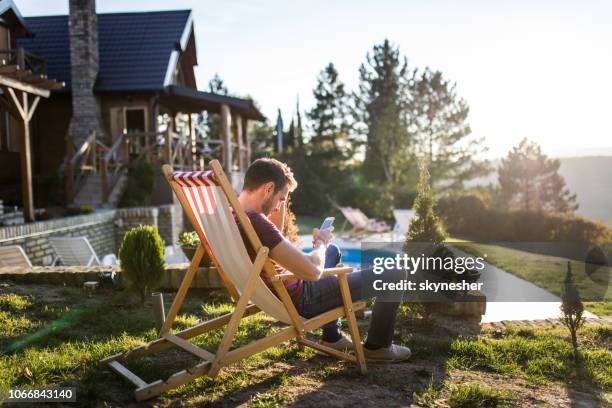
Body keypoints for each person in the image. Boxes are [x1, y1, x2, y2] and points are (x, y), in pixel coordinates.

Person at [235, 158, 411, 362]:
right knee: (395, 273)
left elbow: (277, 233)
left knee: (333, 250)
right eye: (281, 199)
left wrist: (282, 187)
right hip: (304, 298)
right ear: (268, 188)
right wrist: (320, 243)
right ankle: (378, 347)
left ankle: (332, 337)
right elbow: (313, 271)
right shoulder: (256, 223)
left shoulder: (235, 215)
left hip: (280, 291)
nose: (278, 206)